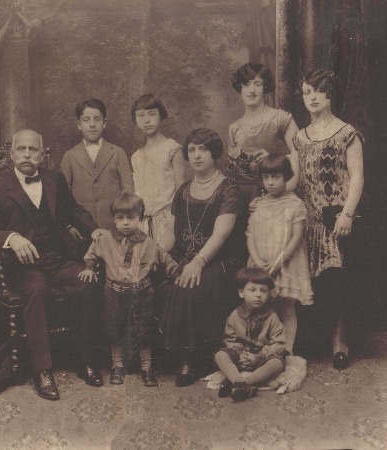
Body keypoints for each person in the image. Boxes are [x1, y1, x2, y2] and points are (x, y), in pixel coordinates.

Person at [0, 129, 103, 400]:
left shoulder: (54, 178)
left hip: (58, 258)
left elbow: (73, 210)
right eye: (21, 149)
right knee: (36, 290)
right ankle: (43, 370)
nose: (27, 154)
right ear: (12, 153)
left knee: (86, 284)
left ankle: (85, 359)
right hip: (24, 266)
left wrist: (94, 229)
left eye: (32, 149)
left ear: (42, 153)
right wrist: (12, 238)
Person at [158, 128, 242, 387]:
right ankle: (157, 355)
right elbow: (170, 233)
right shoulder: (183, 189)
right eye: (192, 150)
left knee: (190, 286)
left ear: (214, 152)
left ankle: (191, 358)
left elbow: (221, 235)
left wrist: (198, 262)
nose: (196, 155)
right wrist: (155, 253)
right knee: (153, 278)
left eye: (202, 149)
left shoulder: (228, 189)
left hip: (219, 259)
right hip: (183, 256)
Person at [293, 69, 364, 369]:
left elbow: (357, 177)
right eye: (307, 92)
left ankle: (339, 341)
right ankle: (314, 339)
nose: (312, 98)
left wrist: (347, 214)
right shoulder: (300, 137)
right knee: (312, 284)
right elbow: (296, 180)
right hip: (309, 221)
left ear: (330, 94)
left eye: (318, 91)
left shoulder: (347, 133)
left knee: (338, 281)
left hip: (337, 219)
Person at [78, 193, 179, 387]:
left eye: (131, 218)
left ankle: (147, 368)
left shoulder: (148, 243)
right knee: (114, 329)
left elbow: (166, 260)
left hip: (142, 293)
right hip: (114, 293)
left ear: (139, 218)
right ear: (114, 219)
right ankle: (117, 366)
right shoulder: (105, 240)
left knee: (144, 330)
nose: (125, 223)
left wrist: (177, 275)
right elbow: (91, 255)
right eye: (120, 218)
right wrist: (89, 268)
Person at [247, 155, 313, 355]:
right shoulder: (258, 204)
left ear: (286, 177)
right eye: (266, 177)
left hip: (286, 264)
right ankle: (266, 349)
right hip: (261, 263)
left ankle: (287, 350)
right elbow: (250, 235)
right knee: (264, 308)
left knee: (287, 309)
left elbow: (296, 238)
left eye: (276, 177)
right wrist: (257, 259)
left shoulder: (295, 205)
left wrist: (279, 262)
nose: (270, 182)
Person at [227, 63, 300, 205]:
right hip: (244, 200)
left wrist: (271, 159)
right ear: (240, 88)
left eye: (257, 84)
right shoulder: (234, 128)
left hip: (279, 198)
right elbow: (233, 174)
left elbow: (299, 156)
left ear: (265, 87)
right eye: (247, 84)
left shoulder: (281, 119)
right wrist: (235, 160)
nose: (252, 90)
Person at [61, 98, 134, 230]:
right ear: (79, 125)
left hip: (114, 227)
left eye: (97, 119)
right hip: (82, 230)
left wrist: (123, 221)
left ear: (104, 123)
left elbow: (128, 191)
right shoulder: (69, 156)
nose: (92, 124)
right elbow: (63, 197)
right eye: (86, 120)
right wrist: (70, 226)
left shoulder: (117, 152)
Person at [214, 268, 286, 402]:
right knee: (220, 355)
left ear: (268, 293)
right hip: (240, 358)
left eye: (263, 291)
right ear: (241, 292)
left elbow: (279, 343)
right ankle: (236, 379)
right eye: (252, 290)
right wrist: (240, 354)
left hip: (262, 360)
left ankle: (245, 383)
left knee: (277, 363)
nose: (258, 295)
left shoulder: (272, 317)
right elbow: (229, 339)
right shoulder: (235, 315)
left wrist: (259, 356)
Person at [130, 94, 186, 243]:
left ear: (161, 115)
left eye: (152, 114)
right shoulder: (136, 156)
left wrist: (173, 224)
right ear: (135, 120)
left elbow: (181, 191)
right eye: (141, 115)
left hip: (169, 221)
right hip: (143, 223)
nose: (146, 120)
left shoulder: (172, 149)